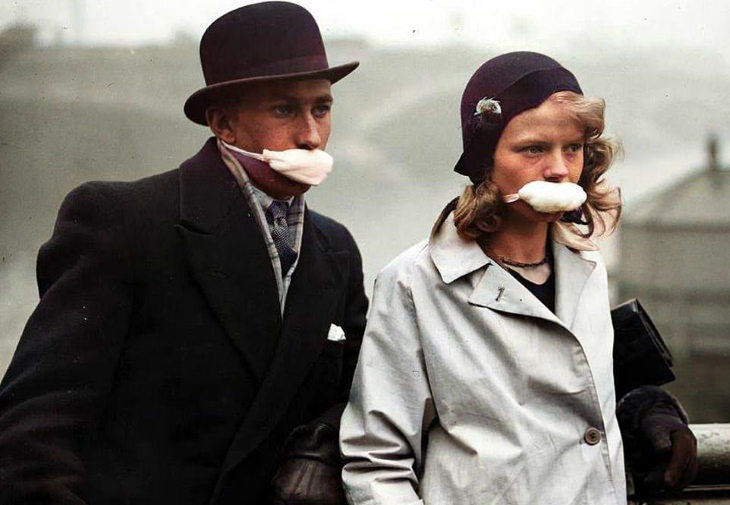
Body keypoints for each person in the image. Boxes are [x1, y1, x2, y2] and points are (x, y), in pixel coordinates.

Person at [0, 3, 367, 504]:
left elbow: (360, 392)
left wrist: (320, 450)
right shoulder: (122, 221)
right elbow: (35, 431)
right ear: (224, 124)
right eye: (284, 109)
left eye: (321, 109)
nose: (310, 134)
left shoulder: (335, 248)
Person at [340, 52, 695, 505]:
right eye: (533, 149)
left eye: (572, 148)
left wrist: (645, 405)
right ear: (485, 162)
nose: (559, 169)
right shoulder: (414, 283)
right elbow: (377, 462)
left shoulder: (587, 266)